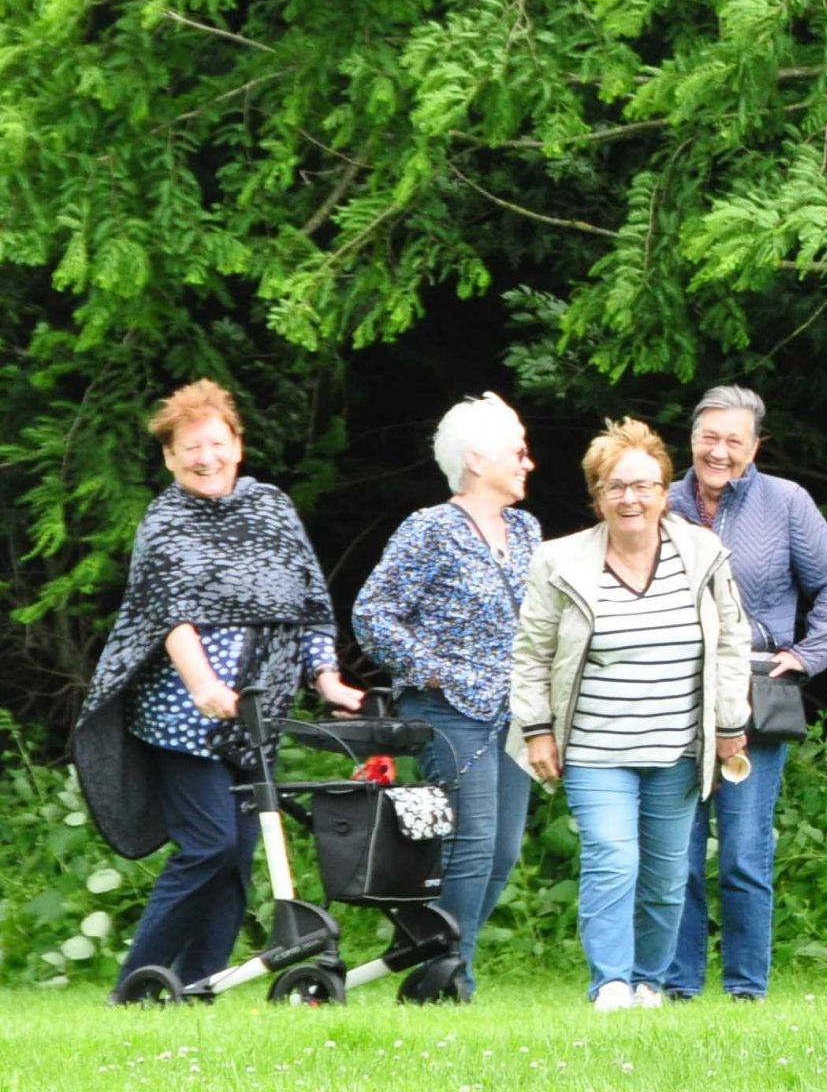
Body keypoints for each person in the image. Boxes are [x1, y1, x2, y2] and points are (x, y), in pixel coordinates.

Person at [75, 381, 365, 1002]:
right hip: (183, 716)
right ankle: (134, 986)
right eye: (190, 448)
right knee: (209, 844)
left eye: (215, 443)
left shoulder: (271, 508)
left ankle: (198, 986)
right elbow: (169, 616)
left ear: (237, 445)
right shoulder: (166, 520)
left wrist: (326, 678)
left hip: (256, 715)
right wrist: (204, 683)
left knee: (235, 857)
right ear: (169, 458)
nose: (205, 458)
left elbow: (310, 603)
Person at [507, 418, 751, 1013]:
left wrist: (729, 725)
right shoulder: (559, 561)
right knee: (613, 860)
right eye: (615, 486)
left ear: (665, 492)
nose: (630, 499)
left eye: (643, 486)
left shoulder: (703, 554)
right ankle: (611, 984)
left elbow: (731, 643)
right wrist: (536, 730)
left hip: (677, 748)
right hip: (595, 749)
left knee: (668, 877)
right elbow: (532, 653)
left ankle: (648, 982)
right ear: (597, 497)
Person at [666, 384, 827, 1001]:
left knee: (744, 852)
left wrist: (805, 655)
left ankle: (746, 991)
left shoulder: (786, 502)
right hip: (670, 692)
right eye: (709, 437)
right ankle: (678, 987)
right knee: (676, 853)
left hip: (754, 692)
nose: (719, 452)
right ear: (691, 439)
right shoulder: (659, 502)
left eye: (734, 441)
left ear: (755, 448)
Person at [352, 392, 543, 999]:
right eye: (518, 451)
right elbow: (372, 614)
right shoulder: (430, 529)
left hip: (514, 715)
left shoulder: (526, 529)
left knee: (503, 851)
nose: (529, 462)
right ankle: (449, 981)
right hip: (449, 713)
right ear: (477, 459)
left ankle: (439, 964)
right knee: (471, 844)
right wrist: (433, 672)